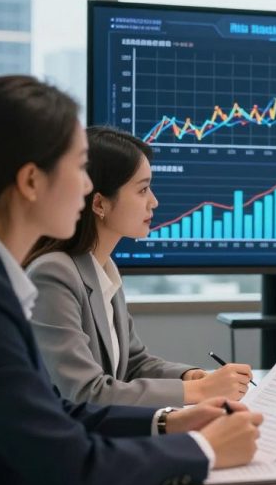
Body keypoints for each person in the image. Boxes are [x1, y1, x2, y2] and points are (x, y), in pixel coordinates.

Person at [0, 76, 262, 485]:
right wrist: (205, 451)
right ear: (32, 181)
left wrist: (169, 421)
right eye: (78, 167)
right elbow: (71, 466)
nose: (87, 186)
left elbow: (57, 413)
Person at [25, 126, 252, 407]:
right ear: (99, 203)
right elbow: (86, 392)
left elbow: (133, 363)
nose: (154, 201)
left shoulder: (102, 268)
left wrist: (191, 377)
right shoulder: (53, 274)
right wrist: (200, 393)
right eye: (143, 189)